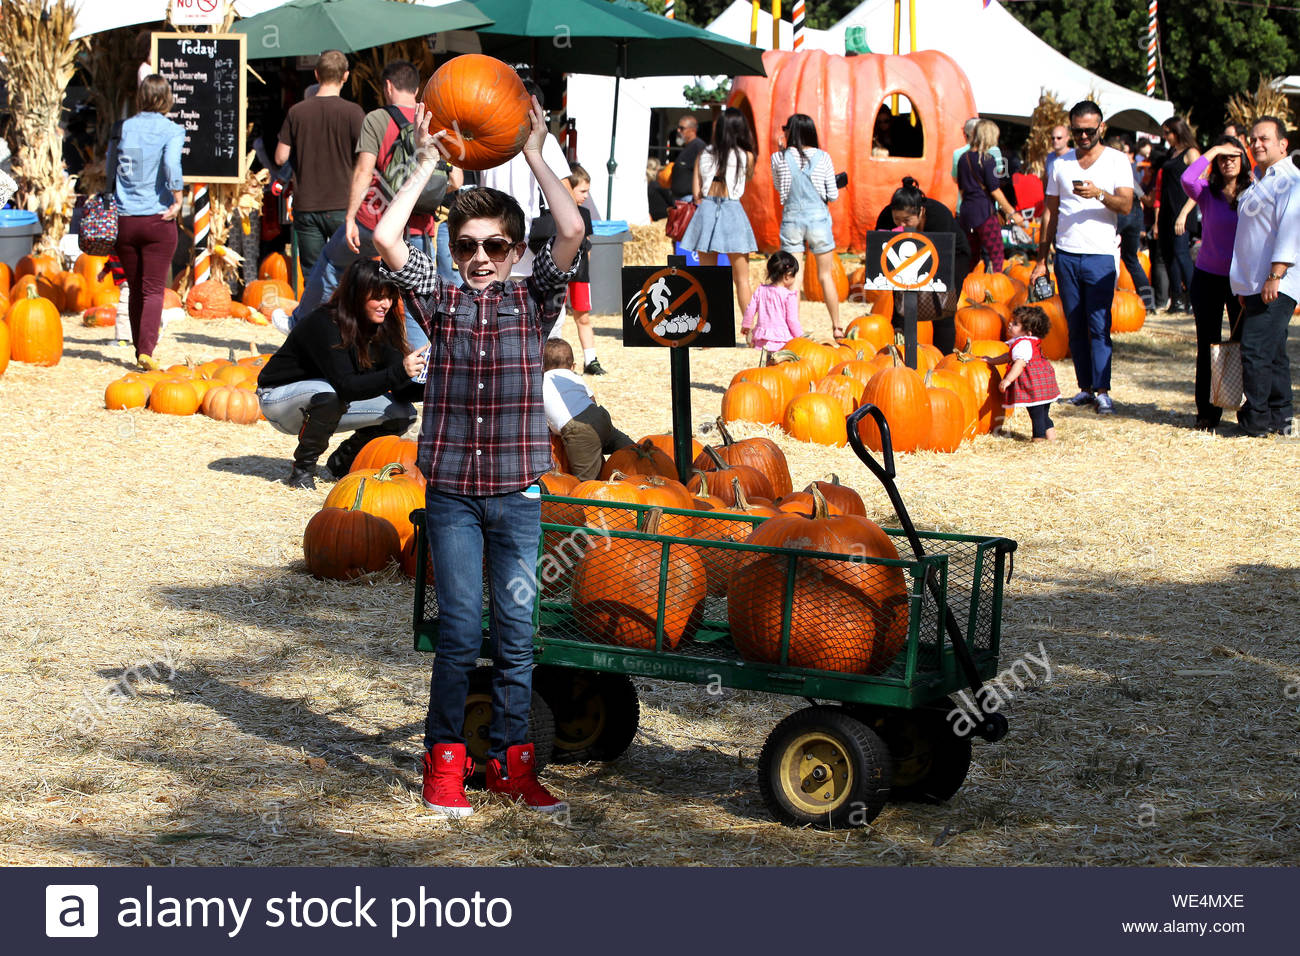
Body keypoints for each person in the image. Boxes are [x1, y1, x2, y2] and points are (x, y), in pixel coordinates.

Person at [373, 98, 584, 816]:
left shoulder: (536, 303)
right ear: (454, 251)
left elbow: (572, 228)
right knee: (462, 633)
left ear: (516, 251)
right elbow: (386, 234)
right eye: (467, 247)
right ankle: (443, 765)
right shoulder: (440, 303)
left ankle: (511, 768)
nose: (481, 258)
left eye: (495, 245)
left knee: (518, 637)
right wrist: (427, 160)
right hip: (455, 497)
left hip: (517, 495)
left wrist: (535, 154)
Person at [278, 61, 459, 336]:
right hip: (419, 227)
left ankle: (302, 326)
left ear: (388, 86)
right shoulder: (436, 123)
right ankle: (422, 355)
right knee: (415, 293)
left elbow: (364, 171)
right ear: (416, 89)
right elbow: (455, 181)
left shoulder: (377, 119)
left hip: (375, 220)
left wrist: (350, 218)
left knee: (331, 264)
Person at [256, 259, 422, 489]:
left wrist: (437, 383)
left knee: (403, 413)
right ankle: (302, 471)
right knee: (331, 394)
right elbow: (347, 386)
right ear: (356, 295)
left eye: (390, 297)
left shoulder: (383, 327)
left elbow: (401, 390)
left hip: (328, 400)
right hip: (279, 400)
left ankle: (342, 463)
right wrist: (400, 370)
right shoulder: (324, 323)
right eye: (378, 297)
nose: (386, 304)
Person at [1031, 100, 1133, 416]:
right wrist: (1041, 259)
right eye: (1078, 131)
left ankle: (1102, 391)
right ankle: (1085, 388)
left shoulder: (1117, 160)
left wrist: (1099, 194)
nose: (1084, 136)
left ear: (1102, 128)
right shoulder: (1060, 164)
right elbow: (1049, 212)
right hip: (1066, 253)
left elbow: (1126, 205)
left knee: (1099, 325)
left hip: (1100, 254)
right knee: (1074, 326)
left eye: (1089, 130)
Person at [1227, 117, 1298, 438]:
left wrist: (1275, 274)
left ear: (1283, 144)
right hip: (1256, 282)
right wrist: (1245, 284)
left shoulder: (1291, 180)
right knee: (1274, 351)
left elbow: (1291, 230)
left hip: (1277, 281)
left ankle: (1255, 420)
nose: (1256, 144)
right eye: (1253, 139)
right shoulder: (1260, 180)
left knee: (1254, 348)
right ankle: (1281, 418)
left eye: (1264, 138)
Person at [107, 74, 184, 371]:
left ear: (140, 97)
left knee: (135, 286)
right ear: (167, 99)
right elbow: (171, 164)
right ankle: (147, 351)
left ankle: (140, 349)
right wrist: (178, 197)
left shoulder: (124, 128)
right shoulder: (172, 130)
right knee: (153, 289)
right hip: (157, 218)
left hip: (125, 219)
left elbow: (111, 167)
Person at [274, 51, 365, 279]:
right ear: (345, 76)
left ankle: (317, 304)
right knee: (347, 274)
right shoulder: (353, 113)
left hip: (306, 204)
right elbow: (367, 159)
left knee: (313, 275)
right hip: (343, 205)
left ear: (316, 74)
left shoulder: (297, 112)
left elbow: (280, 157)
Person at [1182, 136, 1251, 431]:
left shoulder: (1253, 192)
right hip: (1208, 276)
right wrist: (1212, 151)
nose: (1228, 162)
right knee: (1207, 344)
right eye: (1223, 158)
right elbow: (1187, 178)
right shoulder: (1206, 192)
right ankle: (1207, 413)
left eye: (1234, 156)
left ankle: (1247, 411)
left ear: (1243, 160)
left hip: (1242, 278)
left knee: (1244, 344)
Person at [478, 81, 573, 282]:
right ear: (537, 109)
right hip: (536, 249)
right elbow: (567, 196)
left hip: (494, 248)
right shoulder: (546, 142)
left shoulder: (488, 141)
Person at [873, 177, 972, 355]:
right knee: (901, 305)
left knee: (943, 308)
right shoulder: (886, 217)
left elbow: (941, 256)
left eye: (907, 220)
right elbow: (880, 248)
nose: (901, 225)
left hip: (952, 256)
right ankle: (901, 352)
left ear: (921, 212)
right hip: (908, 259)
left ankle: (943, 357)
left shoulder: (939, 216)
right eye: (897, 219)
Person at [770, 113, 843, 337]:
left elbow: (779, 189)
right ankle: (837, 326)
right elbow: (833, 194)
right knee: (825, 276)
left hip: (792, 218)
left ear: (790, 132)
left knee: (794, 277)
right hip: (818, 219)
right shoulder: (823, 157)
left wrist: (781, 150)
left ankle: (793, 331)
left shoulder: (778, 158)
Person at [681, 107, 758, 317]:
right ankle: (750, 329)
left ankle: (708, 328)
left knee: (707, 279)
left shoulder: (703, 154)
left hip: (707, 211)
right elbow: (747, 180)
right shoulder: (746, 156)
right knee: (742, 279)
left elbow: (696, 193)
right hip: (732, 211)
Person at [542, 339, 632, 480]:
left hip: (578, 430)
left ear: (541, 367)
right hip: (599, 416)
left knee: (588, 479)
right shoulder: (573, 377)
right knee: (623, 446)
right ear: (573, 366)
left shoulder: (540, 381)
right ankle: (638, 454)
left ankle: (591, 492)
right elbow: (592, 399)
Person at [546, 164, 603, 374]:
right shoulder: (553, 212)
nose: (586, 196)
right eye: (582, 191)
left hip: (580, 274)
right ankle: (553, 361)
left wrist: (585, 268)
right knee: (554, 317)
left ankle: (591, 360)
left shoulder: (585, 214)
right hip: (558, 275)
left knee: (583, 317)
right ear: (568, 188)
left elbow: (586, 244)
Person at [984, 305, 1061, 441]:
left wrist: (1007, 380)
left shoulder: (1023, 344)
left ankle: (1038, 440)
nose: (1010, 324)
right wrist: (992, 361)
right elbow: (1009, 356)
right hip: (1045, 384)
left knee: (1036, 415)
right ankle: (1051, 439)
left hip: (1034, 386)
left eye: (1015, 324)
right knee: (1043, 414)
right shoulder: (1028, 342)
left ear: (1028, 332)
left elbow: (1019, 364)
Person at [957, 119, 1025, 273]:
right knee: (996, 252)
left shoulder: (963, 159)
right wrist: (1012, 212)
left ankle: (965, 281)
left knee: (971, 254)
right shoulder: (987, 160)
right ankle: (996, 281)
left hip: (966, 212)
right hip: (983, 212)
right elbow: (995, 190)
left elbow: (961, 189)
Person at [1153, 116, 1201, 314]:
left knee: (1181, 254)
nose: (1165, 137)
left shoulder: (1191, 153)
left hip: (1182, 211)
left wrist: (1184, 214)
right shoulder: (1171, 153)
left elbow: (1199, 187)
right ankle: (1177, 300)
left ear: (1177, 131)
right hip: (1167, 211)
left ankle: (1195, 298)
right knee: (1168, 255)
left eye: (1167, 132)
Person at [1105, 132, 1153, 308]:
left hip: (1120, 213)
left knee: (1106, 254)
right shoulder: (1127, 169)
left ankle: (1109, 297)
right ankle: (1148, 302)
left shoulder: (1107, 169)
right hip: (1136, 212)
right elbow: (1142, 196)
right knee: (1131, 258)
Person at [741, 251, 802, 355]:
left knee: (767, 360)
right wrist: (800, 336)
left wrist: (746, 325)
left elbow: (750, 309)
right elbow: (792, 320)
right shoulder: (789, 296)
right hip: (781, 338)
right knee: (779, 362)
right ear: (788, 275)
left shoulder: (761, 290)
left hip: (763, 336)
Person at [669, 115, 705, 202]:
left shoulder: (698, 146)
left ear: (692, 130)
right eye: (678, 128)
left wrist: (697, 198)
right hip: (680, 198)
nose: (678, 130)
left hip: (689, 199)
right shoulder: (687, 146)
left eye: (682, 128)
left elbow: (703, 173)